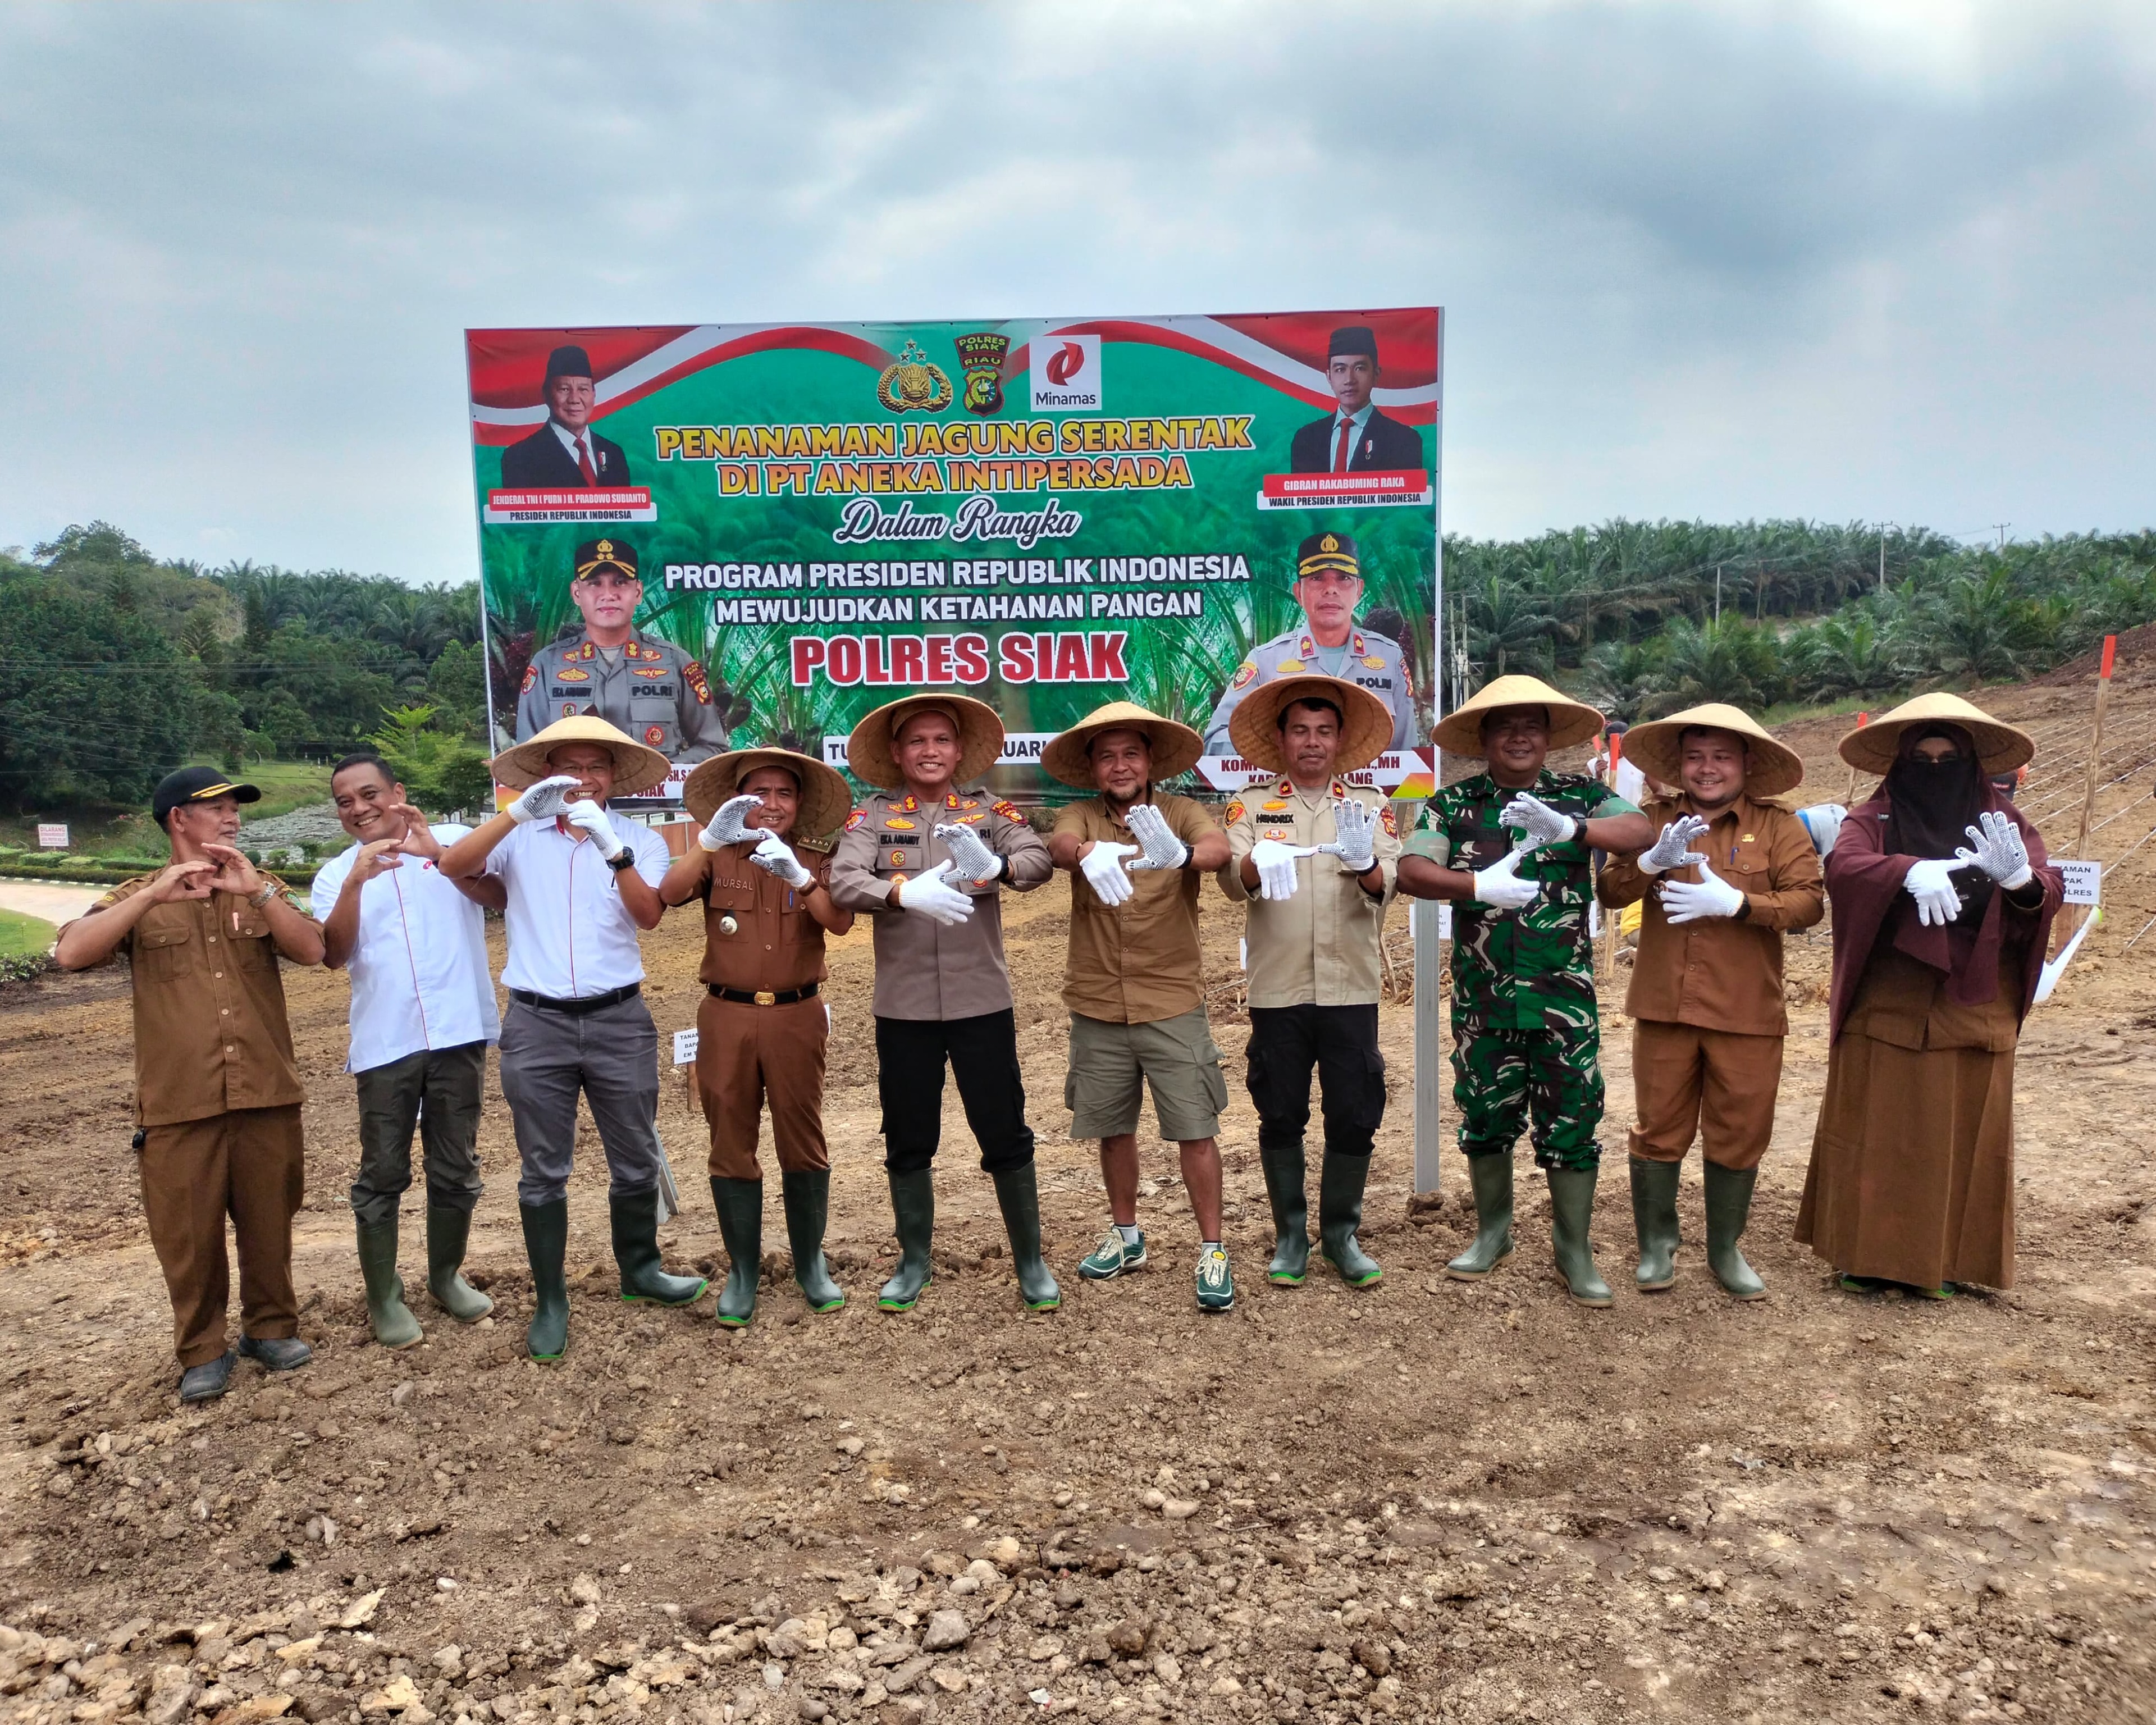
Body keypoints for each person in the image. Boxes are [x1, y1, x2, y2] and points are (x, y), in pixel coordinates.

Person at [438, 716, 706, 1361]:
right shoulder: (521, 837)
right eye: (569, 768)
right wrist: (513, 814)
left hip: (619, 1017)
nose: (583, 780)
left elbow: (647, 916)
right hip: (537, 1021)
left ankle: (640, 1270)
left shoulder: (639, 838)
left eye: (596, 768)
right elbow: (454, 863)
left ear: (614, 777)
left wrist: (611, 844)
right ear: (544, 776)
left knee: (636, 1156)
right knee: (543, 1169)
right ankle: (551, 1297)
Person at [53, 768, 326, 1401]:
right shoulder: (137, 895)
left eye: (235, 810)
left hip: (266, 1090)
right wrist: (154, 897)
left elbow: (313, 950)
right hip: (179, 1102)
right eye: (220, 809)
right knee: (189, 1237)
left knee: (270, 1222)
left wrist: (257, 893)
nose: (233, 819)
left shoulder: (260, 889)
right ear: (179, 819)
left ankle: (271, 1328)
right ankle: (203, 1349)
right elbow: (70, 954)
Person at [1395, 674, 1652, 1306]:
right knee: (1485, 1117)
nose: (1518, 736)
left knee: (1573, 1120)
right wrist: (1474, 887)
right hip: (1484, 1002)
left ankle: (1574, 1251)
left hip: (1564, 1002)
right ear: (1483, 737)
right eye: (1503, 725)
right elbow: (1412, 868)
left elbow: (1640, 832)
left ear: (1548, 737)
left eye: (1531, 725)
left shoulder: (1582, 794)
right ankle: (1493, 1235)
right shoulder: (1453, 806)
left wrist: (1572, 830)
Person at [1796, 693, 2062, 1298]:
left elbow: (2044, 883)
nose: (1935, 769)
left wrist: (2020, 880)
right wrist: (1906, 871)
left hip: (1976, 1002)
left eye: (1949, 758)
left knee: (1964, 1132)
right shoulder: (1876, 817)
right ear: (1901, 763)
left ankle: (1949, 1260)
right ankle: (1864, 1256)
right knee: (1879, 1127)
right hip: (1889, 998)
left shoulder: (2004, 821)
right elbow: (1844, 866)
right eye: (1922, 758)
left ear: (1971, 762)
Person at [827, 694, 1059, 1312]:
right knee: (908, 1135)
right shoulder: (872, 817)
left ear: (958, 752)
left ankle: (1031, 1263)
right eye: (916, 742)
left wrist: (999, 865)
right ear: (898, 754)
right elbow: (844, 881)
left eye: (941, 741)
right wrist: (900, 895)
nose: (929, 752)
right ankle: (914, 1262)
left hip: (981, 999)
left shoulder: (987, 810)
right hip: (903, 1009)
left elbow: (1039, 861)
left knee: (1004, 1129)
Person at [1595, 705, 1824, 1298]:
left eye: (1722, 756)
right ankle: (1657, 1246)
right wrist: (1649, 863)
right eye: (1695, 757)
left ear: (1746, 763)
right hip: (1665, 1004)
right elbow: (1611, 891)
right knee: (1659, 1130)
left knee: (1740, 1129)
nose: (1708, 769)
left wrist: (1742, 906)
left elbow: (1808, 904)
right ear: (1680, 765)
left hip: (1746, 1008)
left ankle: (1725, 1248)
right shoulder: (1653, 821)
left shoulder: (1779, 827)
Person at [1042, 702, 1236, 1310]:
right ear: (1094, 769)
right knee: (1112, 1127)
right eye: (1107, 756)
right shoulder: (1081, 815)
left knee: (1195, 1130)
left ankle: (1213, 1248)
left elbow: (1217, 849)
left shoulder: (1180, 812)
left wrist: (1180, 855)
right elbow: (1059, 842)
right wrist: (1083, 855)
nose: (1120, 766)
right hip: (1099, 1004)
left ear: (1150, 762)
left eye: (1131, 754)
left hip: (1171, 1000)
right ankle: (1127, 1235)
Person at [312, 753, 505, 1348]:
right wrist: (354, 884)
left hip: (458, 1031)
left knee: (456, 1167)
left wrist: (438, 858)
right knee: (383, 1172)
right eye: (345, 802)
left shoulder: (452, 842)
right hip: (385, 1042)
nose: (359, 809)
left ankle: (446, 1277)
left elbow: (498, 894)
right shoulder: (335, 874)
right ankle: (384, 1296)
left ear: (398, 791)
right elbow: (334, 953)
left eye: (370, 794)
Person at [659, 746, 856, 1326]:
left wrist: (800, 877)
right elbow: (668, 895)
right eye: (757, 794)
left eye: (784, 794)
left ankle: (810, 1263)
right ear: (734, 803)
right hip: (726, 1016)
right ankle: (743, 1271)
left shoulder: (817, 856)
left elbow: (840, 922)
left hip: (797, 1014)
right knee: (731, 1141)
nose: (770, 805)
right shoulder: (718, 856)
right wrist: (710, 841)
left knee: (803, 1137)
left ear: (799, 805)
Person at [1219, 674, 1402, 1288]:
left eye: (1325, 731)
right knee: (1280, 1110)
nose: (1313, 742)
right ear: (1281, 738)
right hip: (1279, 987)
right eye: (1300, 730)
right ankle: (1292, 1235)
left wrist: (1368, 866)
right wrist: (1253, 861)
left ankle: (1341, 1235)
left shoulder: (1371, 806)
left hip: (1351, 986)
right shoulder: (1250, 805)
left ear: (1340, 738)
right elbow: (1228, 879)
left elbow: (1391, 882)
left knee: (1354, 1111)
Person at [515, 537, 729, 764]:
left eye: (620, 582)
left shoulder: (675, 662)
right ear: (577, 593)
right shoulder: (547, 665)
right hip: (575, 799)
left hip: (653, 800)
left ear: (638, 592)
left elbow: (713, 747)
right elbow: (530, 757)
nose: (608, 594)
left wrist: (659, 775)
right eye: (595, 583)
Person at [1203, 531, 1415, 754]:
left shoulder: (1389, 657)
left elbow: (1407, 750)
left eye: (1343, 578)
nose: (1330, 589)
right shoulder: (1265, 661)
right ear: (1299, 593)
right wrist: (1274, 747)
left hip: (1370, 789)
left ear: (1359, 591)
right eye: (1317, 578)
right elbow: (1215, 742)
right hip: (1286, 788)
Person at [1287, 326, 1427, 474]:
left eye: (1360, 368)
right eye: (1340, 370)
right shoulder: (1306, 439)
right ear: (1329, 377)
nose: (1349, 380)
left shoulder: (1403, 440)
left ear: (1376, 374)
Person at [499, 344, 634, 489]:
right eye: (564, 389)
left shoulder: (614, 454)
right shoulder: (520, 457)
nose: (574, 399)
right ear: (546, 394)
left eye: (583, 389)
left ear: (594, 394)